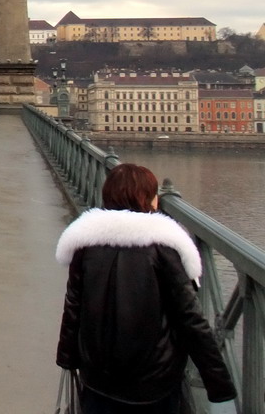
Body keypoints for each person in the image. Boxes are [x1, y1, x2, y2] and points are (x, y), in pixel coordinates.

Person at [55, 163, 236, 413]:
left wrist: (67, 358)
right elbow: (190, 319)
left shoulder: (86, 247)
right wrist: (219, 384)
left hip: (98, 378)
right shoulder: (163, 248)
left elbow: (73, 306)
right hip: (153, 383)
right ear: (146, 199)